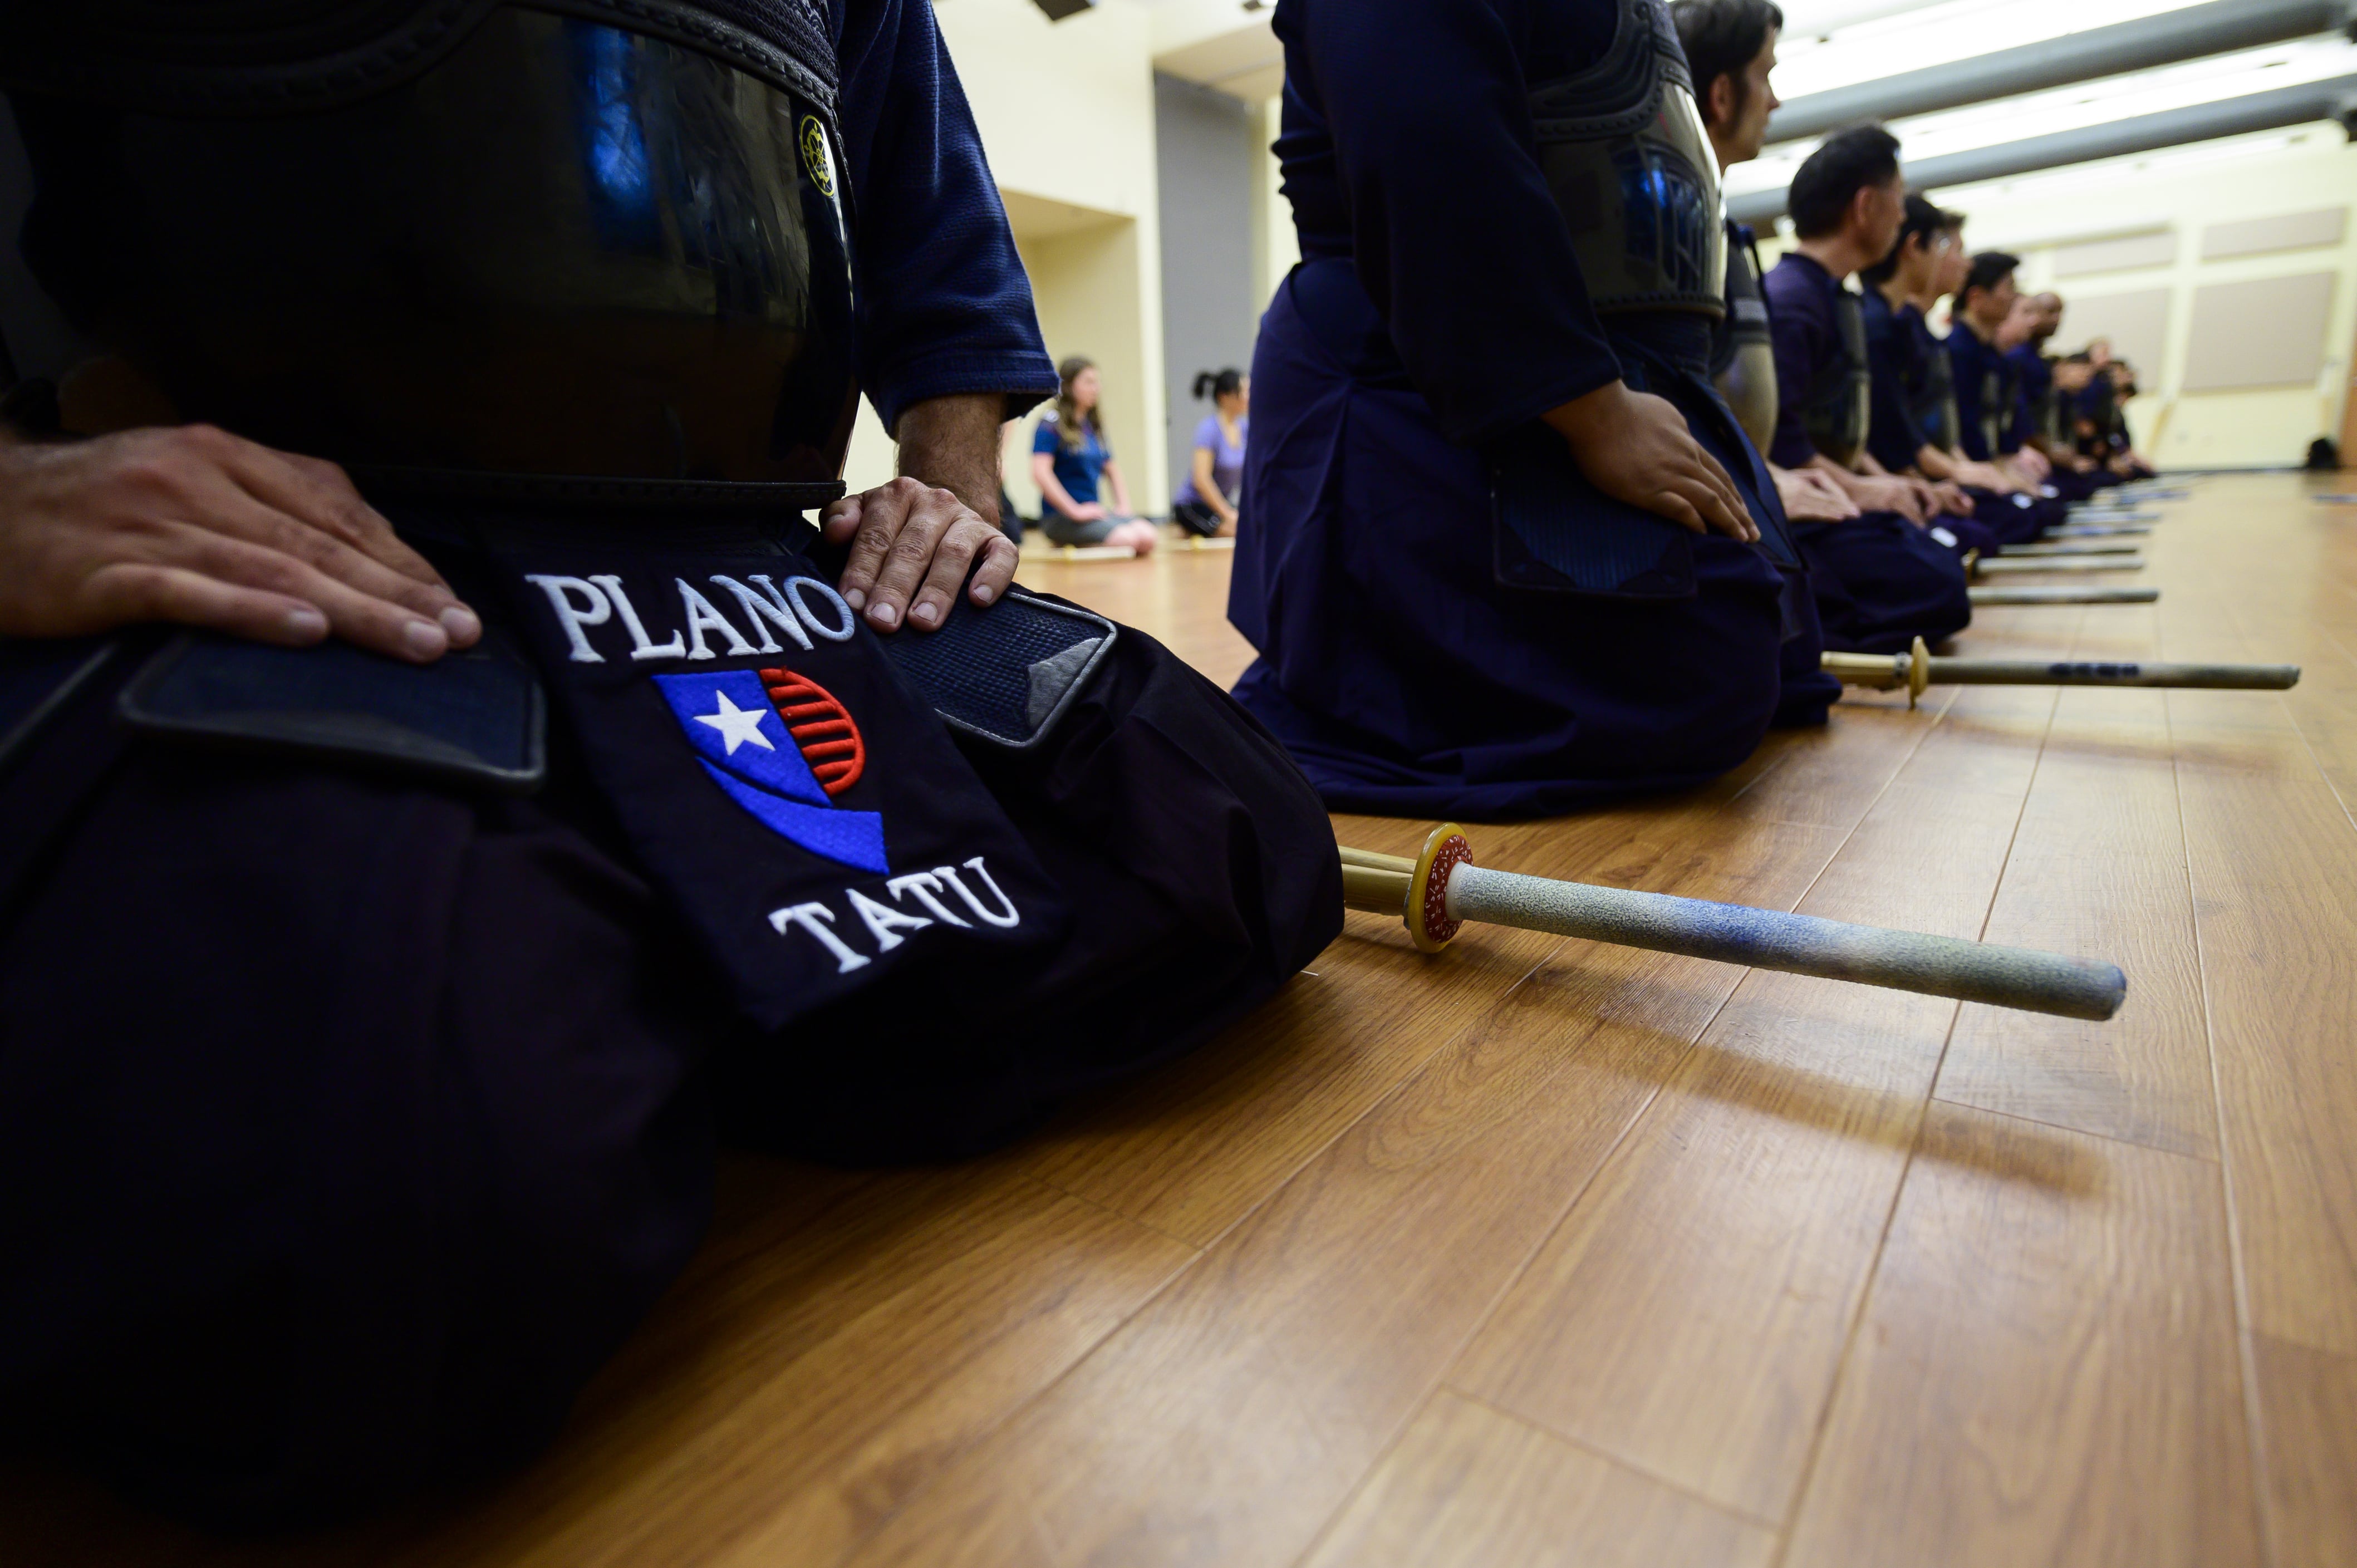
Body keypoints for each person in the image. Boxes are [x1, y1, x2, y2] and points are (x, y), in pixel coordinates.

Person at [0, 0, 1335, 1525]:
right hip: (331, 546)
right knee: (398, 1189)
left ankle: (637, 957)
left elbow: (919, 194)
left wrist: (954, 494)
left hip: (737, 561)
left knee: (1219, 838)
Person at [1227, 0, 1837, 821]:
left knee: (1783, 648)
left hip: (1574, 380)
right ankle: (1287, 718)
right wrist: (1594, 414)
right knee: (1706, 672)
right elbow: (1429, 146)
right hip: (1421, 377)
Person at [1761, 127, 1972, 653]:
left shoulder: (1831, 298)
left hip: (1830, 490)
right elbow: (1783, 443)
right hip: (1798, 507)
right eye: (1898, 200)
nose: (1902, 217)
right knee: (1939, 582)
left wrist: (1880, 486)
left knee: (1943, 558)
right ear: (1866, 205)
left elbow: (1851, 439)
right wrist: (1862, 491)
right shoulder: (1792, 300)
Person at [1676, 0, 1863, 536]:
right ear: (1722, 94)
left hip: (1748, 485)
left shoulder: (1721, 231)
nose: (1776, 102)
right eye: (1766, 77)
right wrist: (1765, 485)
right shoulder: (1671, 239)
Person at [1856, 194, 2040, 549]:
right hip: (1898, 477)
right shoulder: (1878, 325)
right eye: (1950, 248)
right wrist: (1947, 476)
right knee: (1973, 540)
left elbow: (1941, 429)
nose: (1963, 263)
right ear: (1914, 248)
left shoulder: (1913, 332)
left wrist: (1981, 467)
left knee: (2021, 515)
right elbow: (1888, 437)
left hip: (1923, 474)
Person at [1031, 356, 1157, 553]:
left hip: (1093, 512)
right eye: (1089, 382)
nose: (1096, 388)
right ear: (1069, 386)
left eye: (1097, 382)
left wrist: (1123, 506)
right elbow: (1040, 473)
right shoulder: (1051, 424)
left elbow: (1112, 469)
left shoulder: (1092, 426)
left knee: (1148, 537)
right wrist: (1075, 511)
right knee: (1128, 539)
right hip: (1060, 517)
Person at [1172, 368, 1249, 537]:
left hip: (1220, 505)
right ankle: (1188, 527)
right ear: (1224, 397)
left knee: (1255, 526)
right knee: (1242, 532)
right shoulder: (1209, 429)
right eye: (1243, 391)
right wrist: (1228, 514)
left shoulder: (1245, 429)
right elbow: (1201, 480)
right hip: (1193, 505)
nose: (1248, 397)